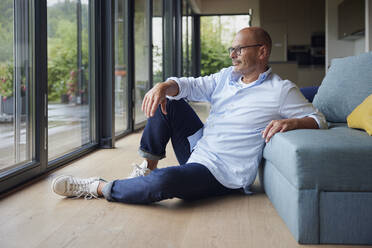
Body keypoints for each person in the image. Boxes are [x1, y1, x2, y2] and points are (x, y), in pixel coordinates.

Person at [51, 27, 327, 203]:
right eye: (231, 49)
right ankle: (145, 170)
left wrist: (291, 122)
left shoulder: (281, 91)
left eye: (239, 49)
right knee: (169, 99)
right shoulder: (225, 78)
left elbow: (319, 119)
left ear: (262, 51)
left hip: (221, 173)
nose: (232, 54)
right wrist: (162, 86)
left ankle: (98, 187)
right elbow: (189, 85)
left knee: (166, 183)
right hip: (199, 148)